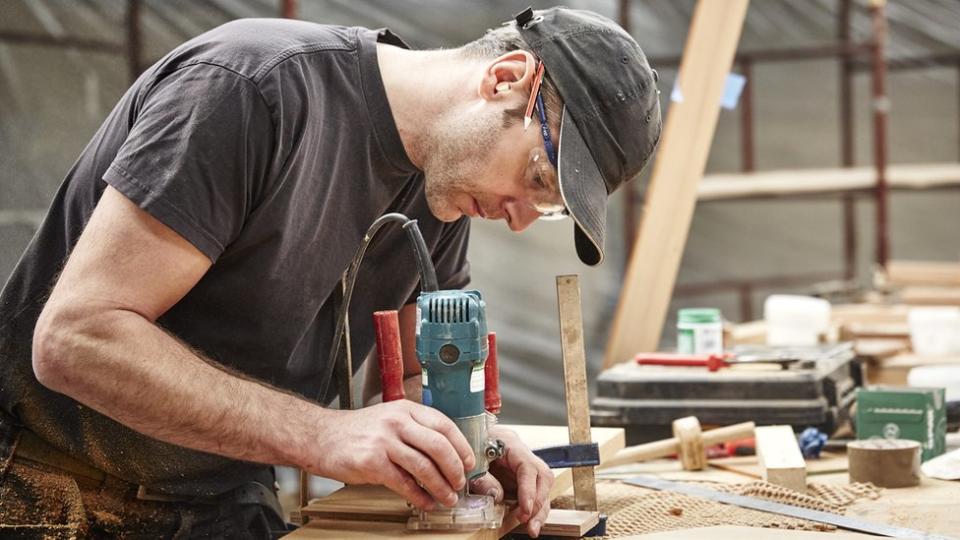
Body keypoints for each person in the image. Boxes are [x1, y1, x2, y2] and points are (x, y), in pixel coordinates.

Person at [0, 6, 661, 539]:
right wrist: (320, 434)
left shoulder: (442, 193)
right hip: (55, 493)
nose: (520, 219)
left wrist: (475, 441)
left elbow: (416, 378)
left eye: (545, 210)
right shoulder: (252, 90)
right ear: (506, 79)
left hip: (220, 504)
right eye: (538, 179)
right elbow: (75, 340)